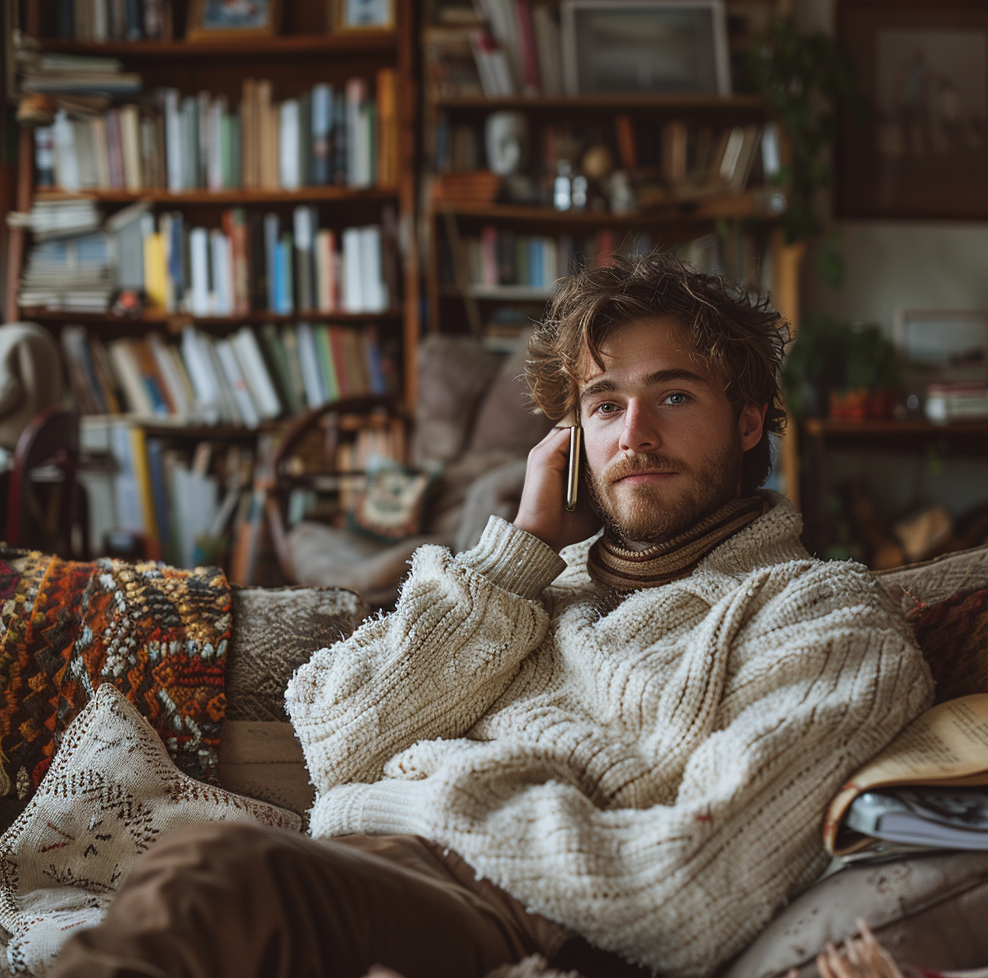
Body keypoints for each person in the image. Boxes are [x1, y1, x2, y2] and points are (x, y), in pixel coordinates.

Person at [52, 254, 933, 978]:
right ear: (571, 439)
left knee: (213, 880)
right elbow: (336, 733)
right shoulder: (526, 585)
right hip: (368, 861)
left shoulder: (823, 616)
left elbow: (692, 890)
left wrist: (450, 809)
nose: (633, 436)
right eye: (604, 405)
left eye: (673, 396)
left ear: (747, 420)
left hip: (507, 913)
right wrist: (515, 556)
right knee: (197, 879)